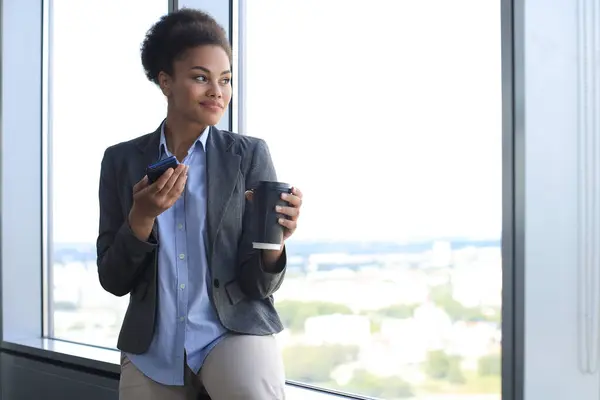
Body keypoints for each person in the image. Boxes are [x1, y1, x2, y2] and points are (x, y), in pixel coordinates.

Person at [96, 8, 303, 400]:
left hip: (231, 330)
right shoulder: (121, 161)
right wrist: (141, 218)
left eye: (225, 80)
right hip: (151, 345)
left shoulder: (248, 155)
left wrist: (275, 243)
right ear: (165, 82)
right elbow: (113, 279)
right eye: (200, 78)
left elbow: (258, 285)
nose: (217, 92)